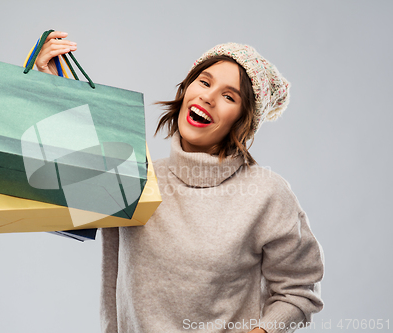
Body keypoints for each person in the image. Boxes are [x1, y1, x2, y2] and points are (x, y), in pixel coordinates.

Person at [36, 31, 324, 333]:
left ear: (243, 121)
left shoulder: (266, 194)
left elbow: (299, 290)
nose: (208, 97)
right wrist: (53, 92)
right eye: (204, 81)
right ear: (186, 89)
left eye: (229, 96)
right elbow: (57, 186)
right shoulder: (134, 177)